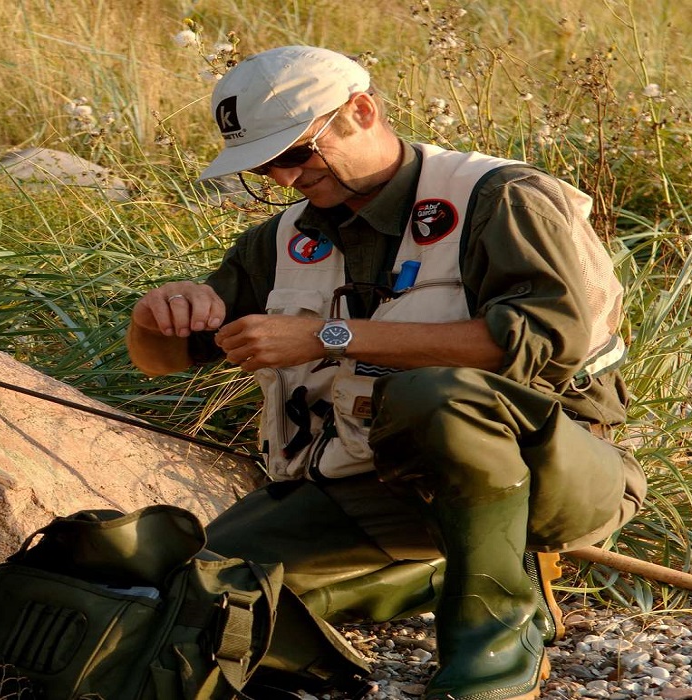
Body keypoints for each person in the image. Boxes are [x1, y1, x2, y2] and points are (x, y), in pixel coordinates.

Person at [127, 46, 647, 700]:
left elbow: (546, 339)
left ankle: (493, 653)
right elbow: (162, 358)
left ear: (361, 111)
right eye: (263, 167)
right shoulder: (283, 241)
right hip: (377, 484)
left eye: (293, 155)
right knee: (197, 585)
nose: (284, 180)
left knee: (435, 394)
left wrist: (326, 335)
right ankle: (460, 568)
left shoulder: (504, 199)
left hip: (559, 472)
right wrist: (157, 315)